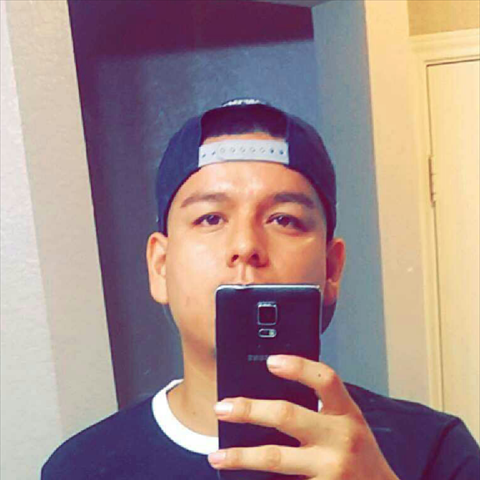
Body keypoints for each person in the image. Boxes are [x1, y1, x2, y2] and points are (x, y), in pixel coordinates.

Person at [42, 99, 480, 479]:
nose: (246, 246)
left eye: (284, 219)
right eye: (210, 218)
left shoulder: (436, 450)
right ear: (160, 267)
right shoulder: (80, 469)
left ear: (331, 269)